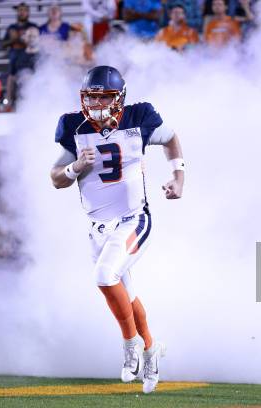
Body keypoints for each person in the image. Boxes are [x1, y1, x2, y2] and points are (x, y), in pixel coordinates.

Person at [50, 66, 185, 393]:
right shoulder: (74, 126)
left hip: (133, 219)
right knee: (127, 293)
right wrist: (74, 168)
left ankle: (130, 345)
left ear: (119, 97)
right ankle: (151, 348)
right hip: (98, 228)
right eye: (91, 96)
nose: (96, 102)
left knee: (103, 275)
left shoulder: (138, 118)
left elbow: (171, 139)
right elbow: (56, 178)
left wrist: (179, 176)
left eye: (104, 96)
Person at [6, 25, 40, 110]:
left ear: (39, 38)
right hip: (20, 98)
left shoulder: (44, 56)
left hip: (40, 98)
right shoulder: (16, 55)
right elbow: (11, 78)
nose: (31, 38)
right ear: (25, 37)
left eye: (34, 36)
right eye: (29, 36)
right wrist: (9, 99)